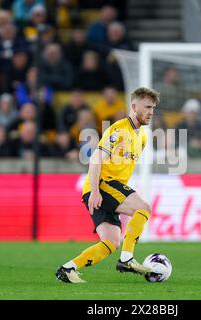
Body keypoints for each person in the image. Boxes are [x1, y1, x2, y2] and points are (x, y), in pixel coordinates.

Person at [55, 87, 160, 283]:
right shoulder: (118, 129)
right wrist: (95, 191)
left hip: (106, 189)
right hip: (103, 185)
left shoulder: (143, 136)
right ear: (134, 106)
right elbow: (96, 159)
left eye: (153, 108)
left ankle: (67, 269)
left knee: (111, 242)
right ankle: (127, 258)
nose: (151, 112)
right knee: (144, 208)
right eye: (147, 107)